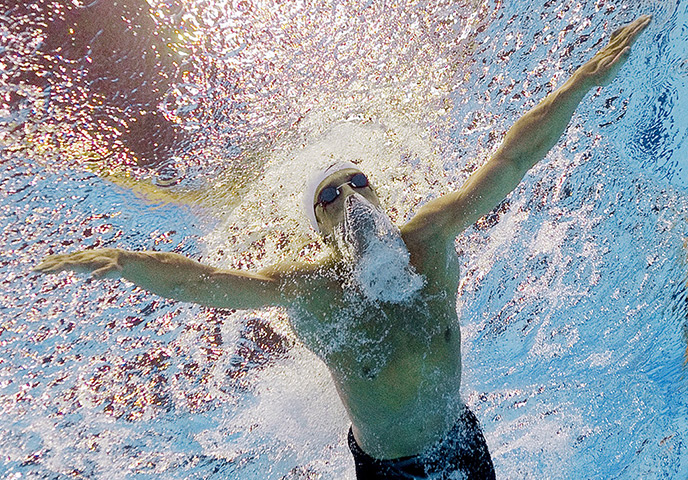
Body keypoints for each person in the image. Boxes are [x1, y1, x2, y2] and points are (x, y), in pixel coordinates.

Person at [34, 15, 652, 479]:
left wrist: (579, 83)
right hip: (387, 471)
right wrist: (125, 262)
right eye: (330, 195)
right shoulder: (308, 288)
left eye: (357, 182)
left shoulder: (429, 238)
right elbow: (202, 283)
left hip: (462, 441)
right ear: (318, 225)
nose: (350, 197)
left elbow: (511, 160)